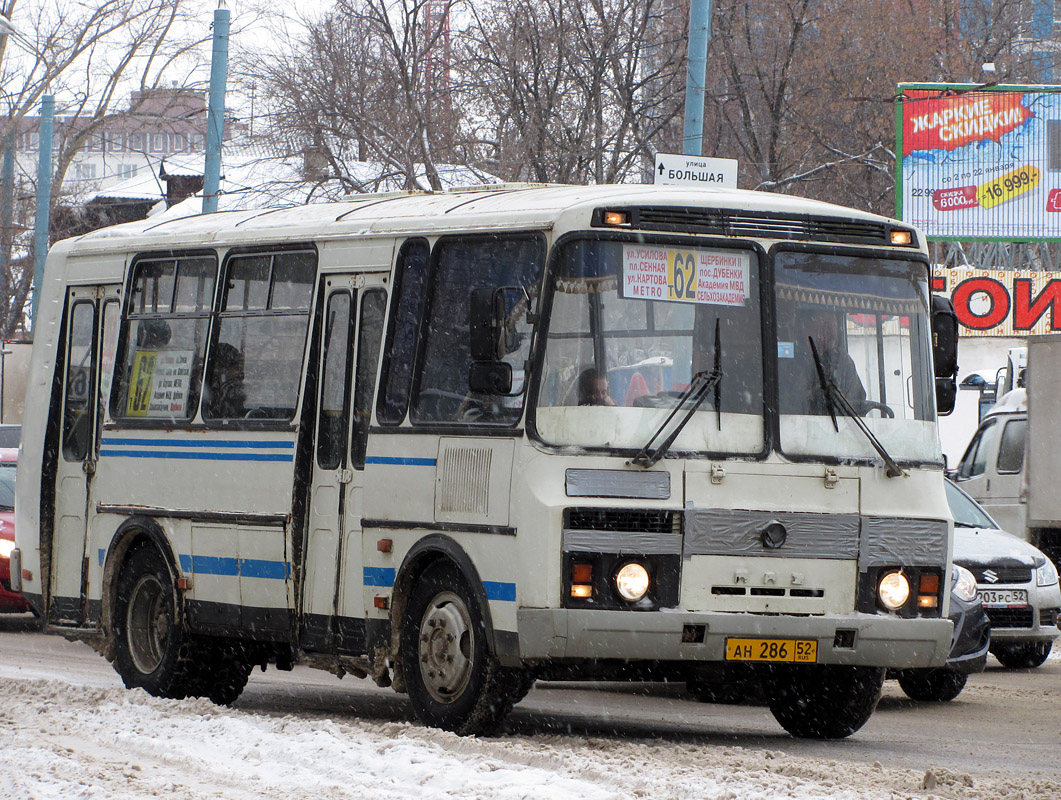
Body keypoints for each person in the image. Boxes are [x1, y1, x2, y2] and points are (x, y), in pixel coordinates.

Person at [801, 309, 867, 415]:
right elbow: (795, 406)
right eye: (826, 326)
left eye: (834, 327)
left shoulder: (842, 360)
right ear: (808, 330)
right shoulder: (794, 360)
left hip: (841, 428)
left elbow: (858, 402)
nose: (832, 332)